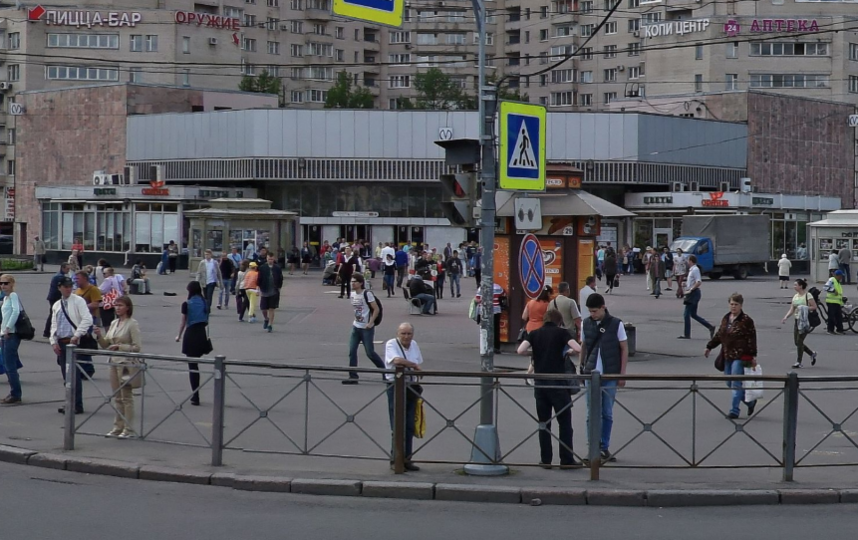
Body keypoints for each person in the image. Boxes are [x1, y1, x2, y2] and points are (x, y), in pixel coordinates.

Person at [517, 309, 582, 468]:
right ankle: (566, 460)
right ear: (559, 322)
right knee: (565, 423)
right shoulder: (562, 333)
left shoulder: (534, 333)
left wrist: (537, 352)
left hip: (540, 385)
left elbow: (520, 350)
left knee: (543, 423)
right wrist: (569, 351)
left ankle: (545, 460)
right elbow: (578, 348)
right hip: (558, 385)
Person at [580, 293, 628, 464]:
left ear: (603, 307)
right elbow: (584, 346)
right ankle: (592, 447)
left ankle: (603, 446)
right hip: (590, 374)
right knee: (591, 412)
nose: (592, 315)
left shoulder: (616, 324)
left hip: (610, 374)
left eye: (594, 311)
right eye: (589, 312)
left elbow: (624, 348)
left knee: (606, 412)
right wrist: (581, 368)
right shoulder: (586, 324)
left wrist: (622, 374)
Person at [705, 293, 758, 420]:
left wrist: (752, 356)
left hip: (740, 356)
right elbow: (720, 335)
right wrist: (709, 346)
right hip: (727, 355)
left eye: (736, 304)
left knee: (735, 383)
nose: (733, 307)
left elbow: (752, 338)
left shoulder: (746, 320)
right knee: (729, 382)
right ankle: (750, 402)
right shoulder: (726, 318)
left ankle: (734, 410)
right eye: (732, 304)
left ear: (741, 305)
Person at [95, 296, 142, 438]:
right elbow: (106, 345)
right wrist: (99, 336)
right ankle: (117, 426)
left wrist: (120, 346)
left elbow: (137, 347)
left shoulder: (132, 324)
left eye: (120, 305)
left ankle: (128, 429)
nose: (117, 308)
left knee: (126, 397)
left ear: (127, 307)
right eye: (116, 305)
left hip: (126, 363)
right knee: (117, 397)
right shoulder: (114, 323)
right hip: (114, 362)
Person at [384, 322, 423, 472]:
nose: (406, 337)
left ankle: (407, 459)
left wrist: (416, 368)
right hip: (396, 387)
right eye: (403, 334)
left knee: (409, 425)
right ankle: (396, 460)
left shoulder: (414, 344)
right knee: (398, 424)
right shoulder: (391, 344)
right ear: (397, 334)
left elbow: (419, 362)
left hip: (411, 387)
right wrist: (413, 365)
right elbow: (397, 361)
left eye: (409, 334)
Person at [50, 277, 93, 414]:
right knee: (66, 375)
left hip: (73, 343)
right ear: (59, 288)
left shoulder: (78, 301)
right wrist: (53, 341)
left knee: (74, 375)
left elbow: (87, 319)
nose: (68, 288)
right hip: (61, 343)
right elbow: (54, 324)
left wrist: (77, 335)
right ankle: (69, 402)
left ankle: (77, 405)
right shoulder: (57, 304)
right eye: (65, 286)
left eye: (70, 286)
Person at [342, 274, 385, 384]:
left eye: (355, 282)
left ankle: (386, 373)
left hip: (366, 328)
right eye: (351, 281)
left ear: (361, 283)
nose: (352, 283)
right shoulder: (352, 294)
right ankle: (353, 376)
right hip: (356, 326)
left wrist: (371, 323)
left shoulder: (367, 294)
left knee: (370, 353)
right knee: (352, 351)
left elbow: (376, 309)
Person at [175, 281, 209, 406]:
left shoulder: (186, 304)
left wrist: (179, 335)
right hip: (202, 334)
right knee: (196, 363)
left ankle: (196, 395)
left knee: (193, 366)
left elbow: (183, 322)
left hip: (191, 335)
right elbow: (206, 320)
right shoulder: (204, 302)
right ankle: (196, 395)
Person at [781, 278, 819, 369]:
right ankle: (812, 353)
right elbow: (792, 309)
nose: (794, 287)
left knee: (799, 341)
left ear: (801, 286)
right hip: (797, 320)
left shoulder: (808, 295)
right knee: (797, 342)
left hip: (805, 321)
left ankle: (798, 362)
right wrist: (786, 317)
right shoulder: (795, 296)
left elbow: (814, 307)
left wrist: (804, 308)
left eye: (795, 285)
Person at [678, 254, 715, 340]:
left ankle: (687, 334)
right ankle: (710, 327)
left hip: (693, 294)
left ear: (691, 261)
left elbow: (698, 282)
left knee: (686, 314)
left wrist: (691, 289)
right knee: (693, 314)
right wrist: (686, 285)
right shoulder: (692, 270)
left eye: (688, 260)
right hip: (692, 293)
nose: (687, 262)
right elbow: (693, 281)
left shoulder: (695, 270)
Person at [0, 275, 23, 405]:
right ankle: (13, 392)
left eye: (6, 283)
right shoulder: (6, 298)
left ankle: (16, 393)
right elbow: (4, 318)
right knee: (8, 365)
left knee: (10, 365)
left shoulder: (13, 296)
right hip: (5, 334)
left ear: (12, 284)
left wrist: (8, 328)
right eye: (1, 283)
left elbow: (16, 312)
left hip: (12, 334)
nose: (3, 286)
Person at [475, 283, 505, 353]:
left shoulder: (481, 288)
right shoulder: (498, 287)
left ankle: (485, 346)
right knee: (496, 329)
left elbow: (477, 299)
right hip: (496, 310)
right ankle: (496, 347)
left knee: (485, 329)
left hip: (484, 310)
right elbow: (503, 294)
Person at [258, 253, 284, 332]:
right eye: (269, 259)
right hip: (265, 290)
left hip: (274, 290)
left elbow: (280, 278)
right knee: (263, 308)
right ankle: (266, 319)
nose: (270, 261)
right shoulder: (262, 268)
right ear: (267, 259)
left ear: (274, 259)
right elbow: (259, 278)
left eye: (272, 259)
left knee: (272, 308)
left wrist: (279, 287)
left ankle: (270, 324)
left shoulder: (277, 268)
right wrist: (259, 288)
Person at [44, 263, 70, 338]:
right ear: (63, 268)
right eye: (67, 269)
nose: (68, 270)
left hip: (53, 297)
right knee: (53, 314)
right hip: (55, 297)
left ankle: (48, 331)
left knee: (53, 314)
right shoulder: (60, 277)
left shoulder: (58, 275)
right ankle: (47, 331)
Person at [824, 270, 845, 335]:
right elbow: (825, 287)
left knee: (839, 316)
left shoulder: (837, 282)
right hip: (831, 301)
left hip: (837, 302)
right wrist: (833, 290)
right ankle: (830, 330)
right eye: (840, 276)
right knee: (831, 316)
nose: (841, 277)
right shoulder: (832, 280)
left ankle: (839, 329)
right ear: (837, 276)